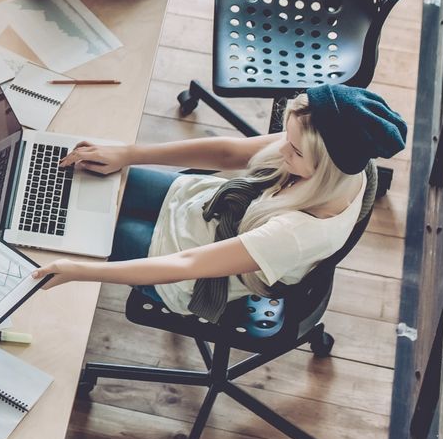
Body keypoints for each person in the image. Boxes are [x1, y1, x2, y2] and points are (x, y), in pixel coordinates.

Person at [33, 86, 406, 323]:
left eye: (292, 150)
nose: (281, 149)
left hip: (190, 265)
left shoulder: (298, 232)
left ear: (323, 167)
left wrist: (80, 270)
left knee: (76, 230)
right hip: (203, 206)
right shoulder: (341, 155)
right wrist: (127, 154)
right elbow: (229, 152)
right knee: (81, 180)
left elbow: (186, 263)